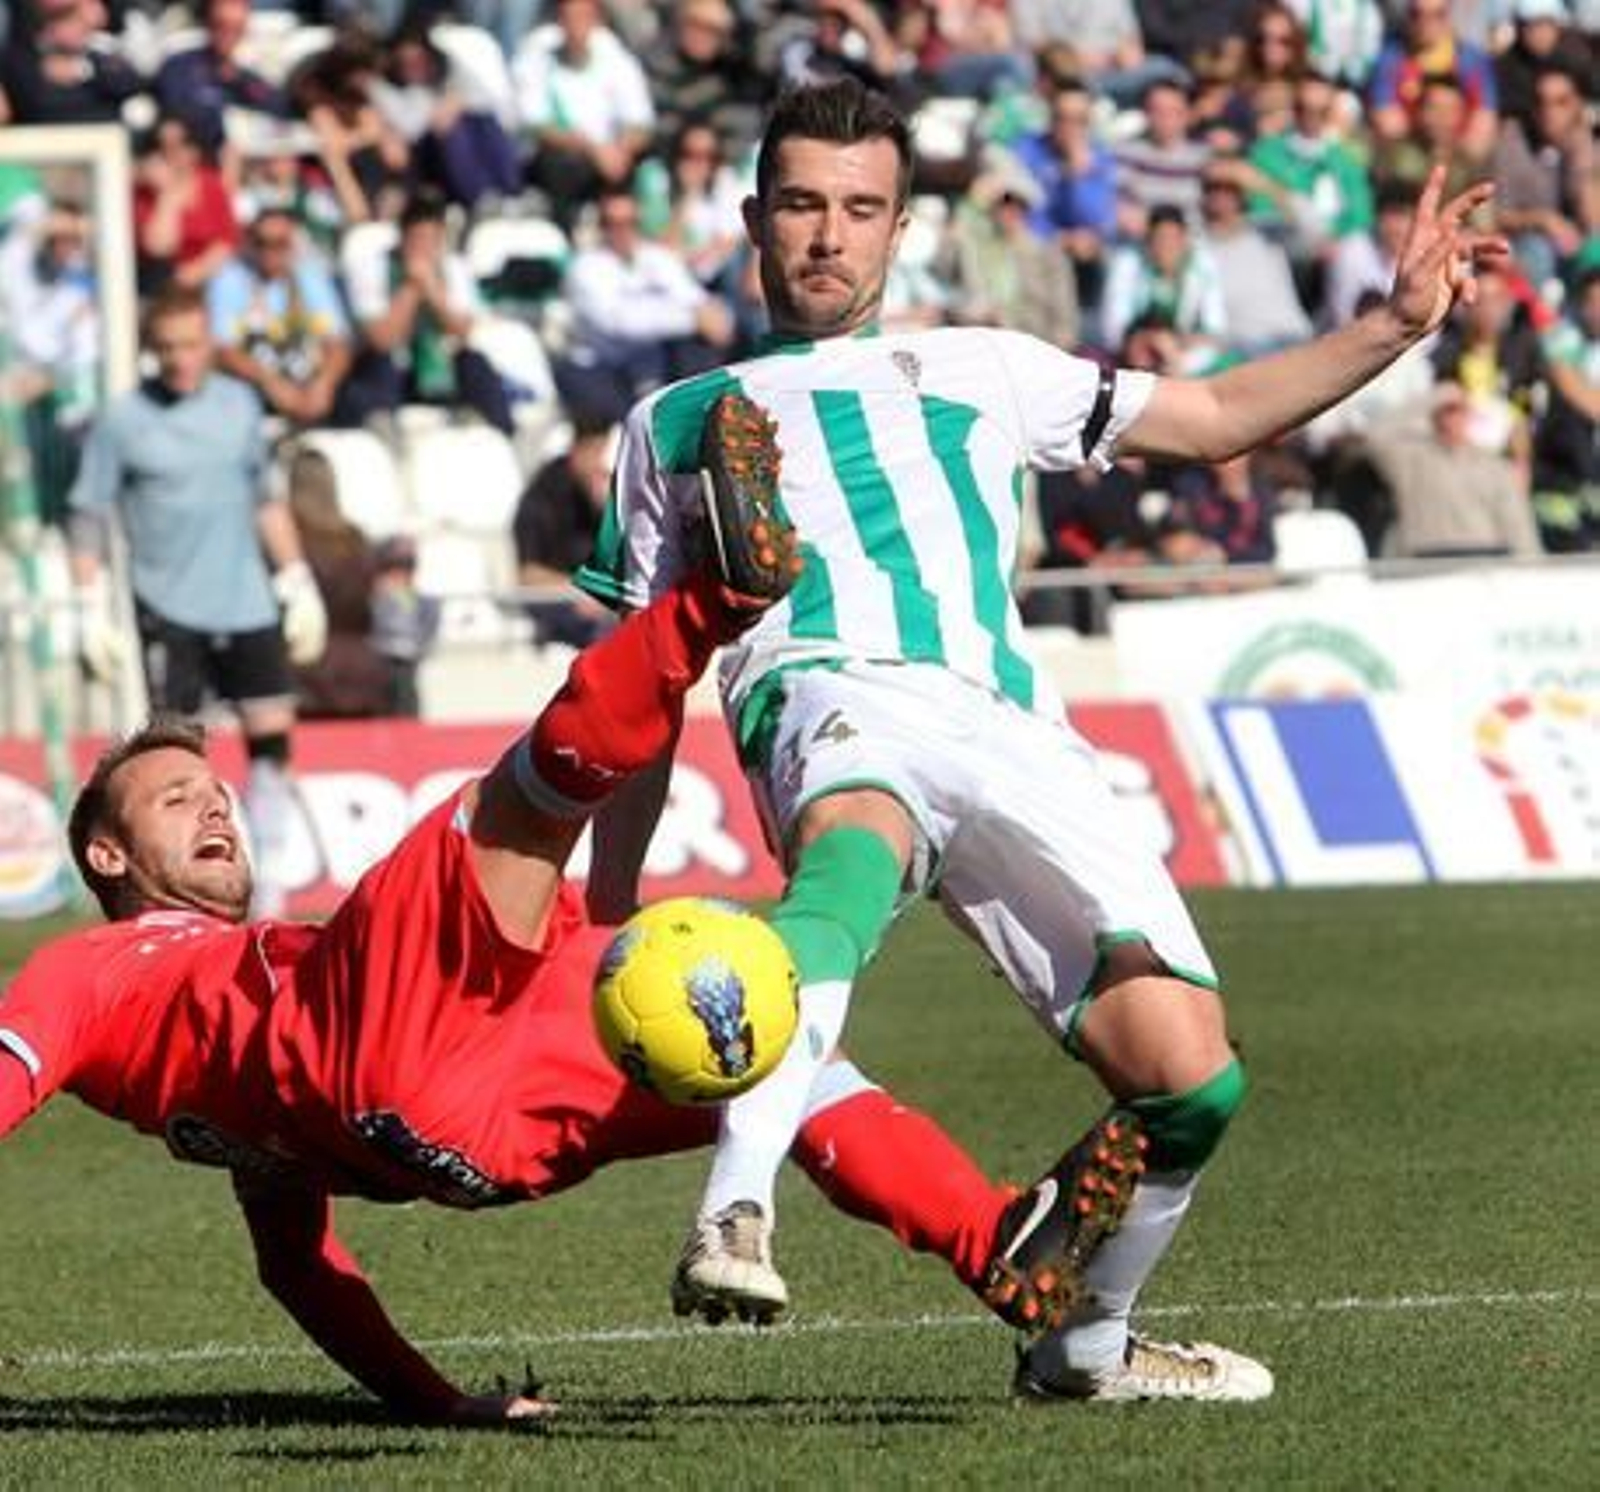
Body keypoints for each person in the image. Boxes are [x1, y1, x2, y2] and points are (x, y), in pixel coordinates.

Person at [575, 75, 1505, 1402]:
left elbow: (1216, 420)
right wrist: (603, 896)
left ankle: (1084, 1347)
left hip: (1013, 729)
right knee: (848, 859)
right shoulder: (671, 423)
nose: (826, 236)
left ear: (902, 230)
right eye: (799, 205)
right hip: (832, 686)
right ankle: (738, 1207)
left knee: (1189, 1079)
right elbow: (633, 681)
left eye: (858, 208)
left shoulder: (985, 366)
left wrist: (1396, 325)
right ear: (751, 219)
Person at [0, 544, 1144, 1422]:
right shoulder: (92, 966)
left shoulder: (227, 1053)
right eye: (170, 798)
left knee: (756, 1036)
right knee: (501, 816)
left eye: (215, 790)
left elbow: (299, 1263)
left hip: (467, 1128)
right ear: (105, 855)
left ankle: (993, 1239)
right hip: (370, 1044)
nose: (213, 805)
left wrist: (440, 1405)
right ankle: (711, 601)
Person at [66, 283, 328, 917]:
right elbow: (88, 514)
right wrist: (86, 602)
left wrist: (296, 577)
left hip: (247, 604)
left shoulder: (238, 405)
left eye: (190, 345)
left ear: (208, 344)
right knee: (174, 764)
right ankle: (172, 897)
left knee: (271, 741)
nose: (180, 359)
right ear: (152, 351)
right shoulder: (123, 420)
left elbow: (266, 499)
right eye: (167, 349)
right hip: (169, 608)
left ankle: (265, 896)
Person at [207, 206, 354, 429]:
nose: (270, 251)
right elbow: (223, 350)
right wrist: (270, 382)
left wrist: (325, 383)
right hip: (251, 392)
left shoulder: (311, 277)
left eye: (280, 243)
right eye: (262, 242)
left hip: (307, 387)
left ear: (292, 244)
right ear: (250, 242)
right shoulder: (230, 278)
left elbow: (337, 343)